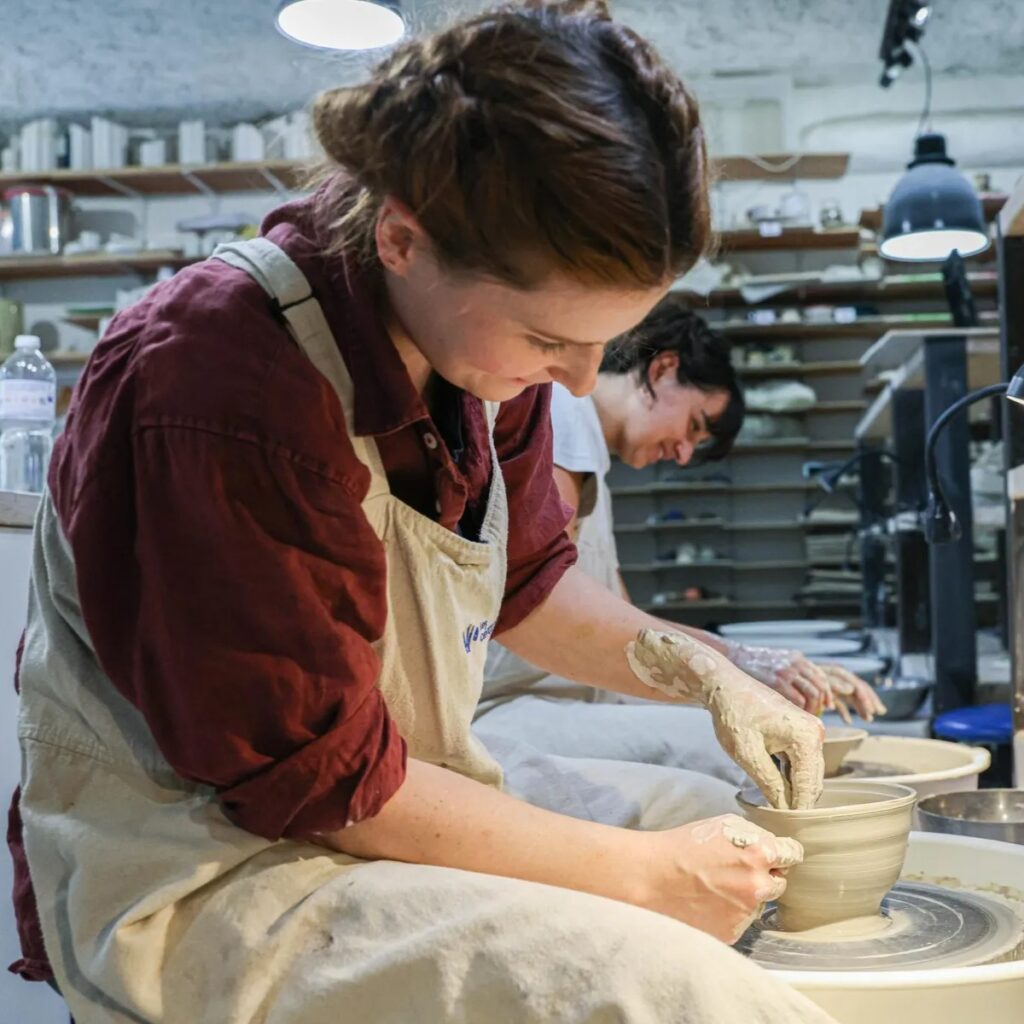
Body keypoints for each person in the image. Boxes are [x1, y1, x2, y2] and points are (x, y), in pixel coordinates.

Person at [8, 4, 837, 1022]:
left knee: (736, 828)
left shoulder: (481, 355)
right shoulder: (222, 386)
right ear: (401, 237)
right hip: (208, 871)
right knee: (676, 981)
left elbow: (531, 592)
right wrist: (637, 877)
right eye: (551, 339)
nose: (580, 383)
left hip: (386, 795)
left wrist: (706, 666)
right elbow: (315, 778)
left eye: (599, 343)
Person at [479, 306, 885, 780]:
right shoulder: (565, 419)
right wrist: (738, 666)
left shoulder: (590, 458)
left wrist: (756, 677)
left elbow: (635, 630)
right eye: (694, 424)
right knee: (741, 755)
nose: (685, 454)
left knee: (753, 729)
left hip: (562, 700)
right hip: (510, 707)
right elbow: (544, 598)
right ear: (663, 368)